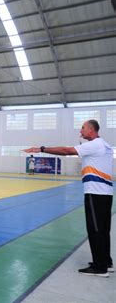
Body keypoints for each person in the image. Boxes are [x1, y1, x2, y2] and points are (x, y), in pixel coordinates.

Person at [24, 119, 113, 277]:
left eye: (83, 128)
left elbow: (66, 151)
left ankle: (100, 268)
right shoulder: (104, 145)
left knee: (95, 229)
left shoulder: (94, 144)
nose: (81, 131)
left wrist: (41, 148)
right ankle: (105, 261)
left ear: (92, 130)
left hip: (95, 192)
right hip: (106, 193)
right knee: (104, 229)